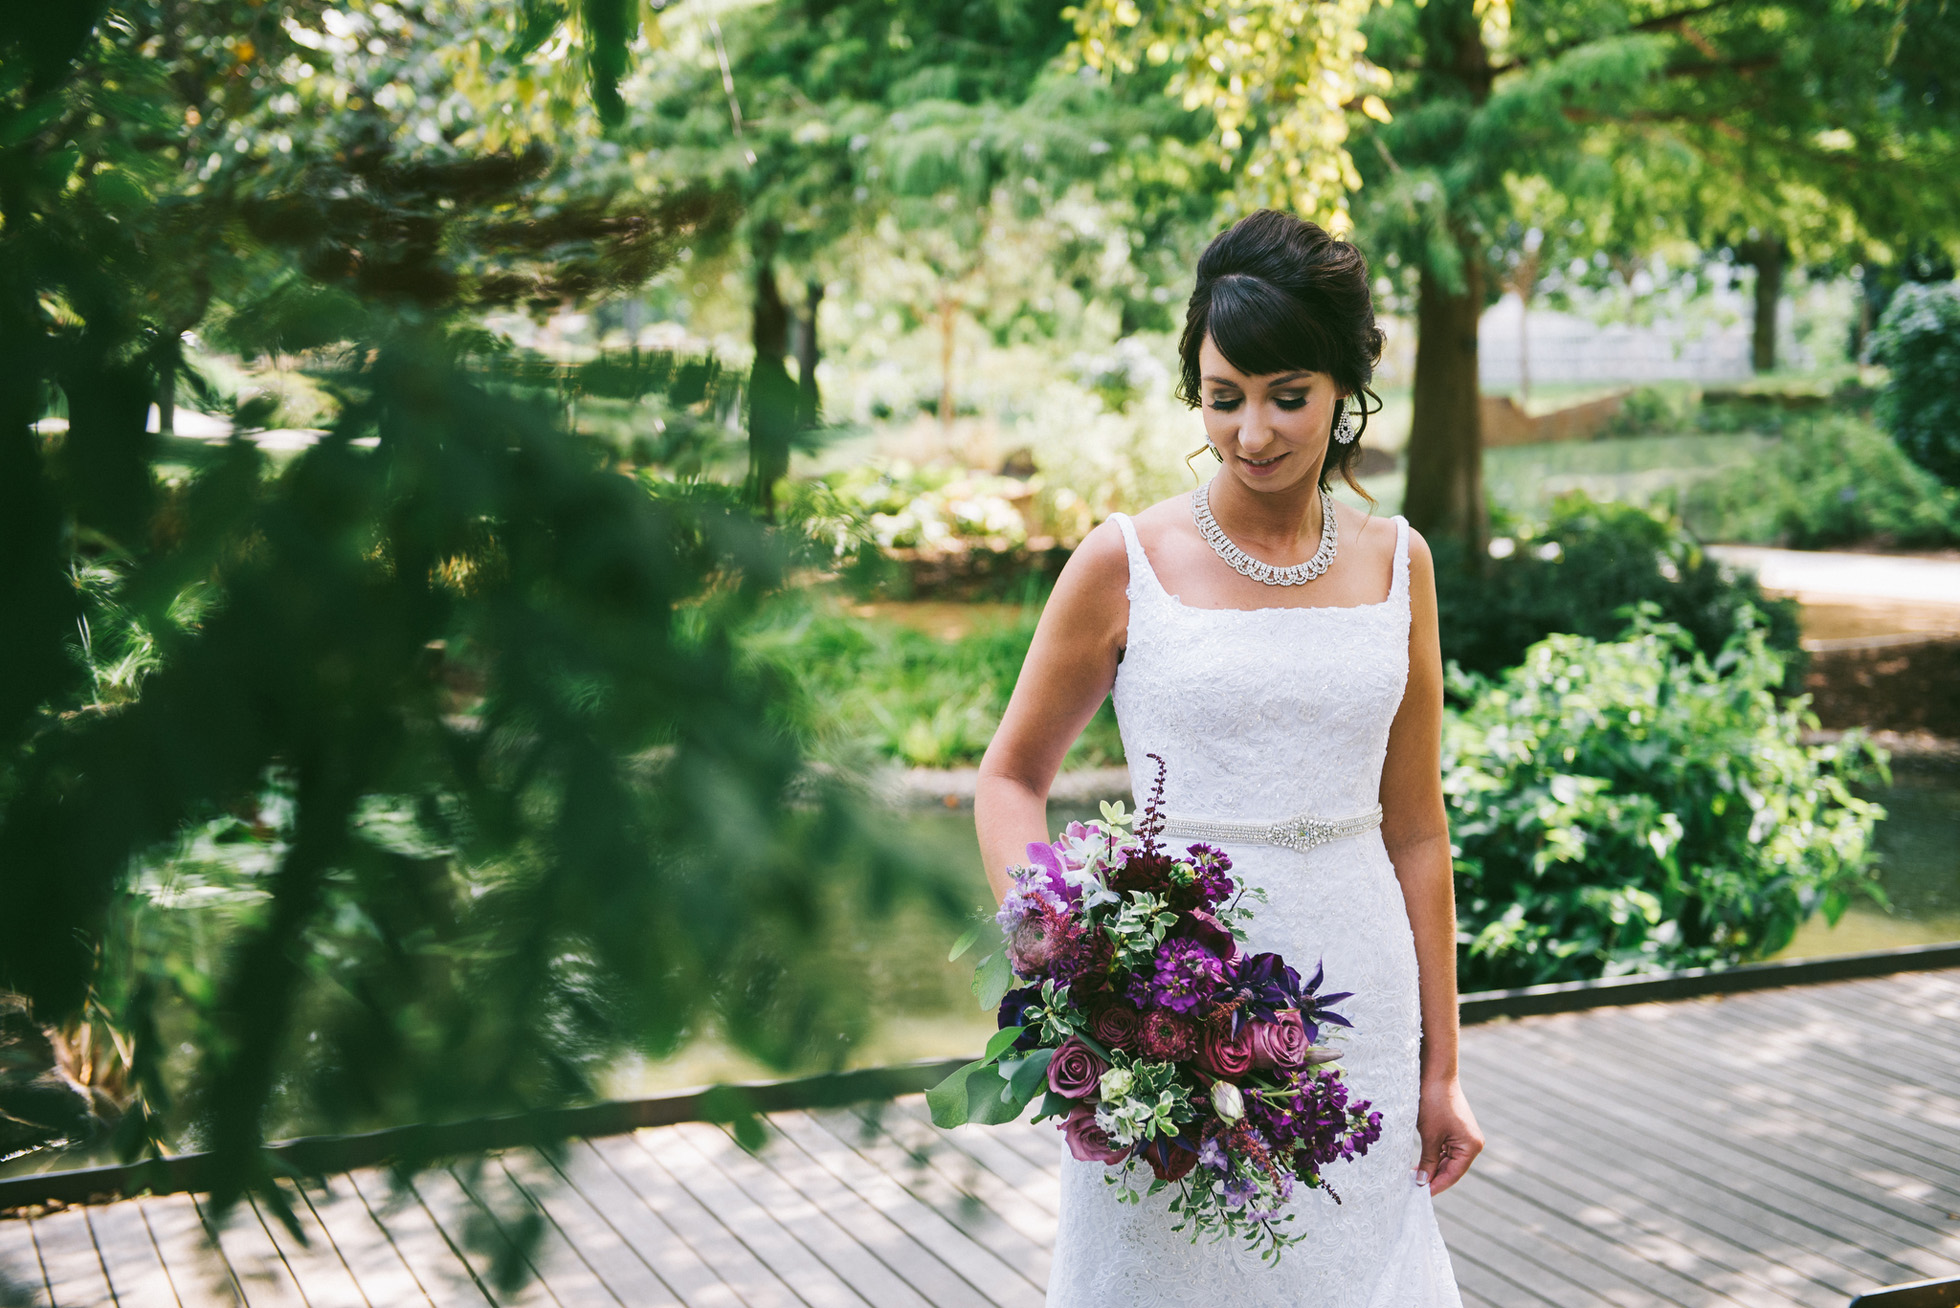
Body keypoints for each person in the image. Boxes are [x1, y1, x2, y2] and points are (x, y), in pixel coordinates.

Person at [974, 209, 1481, 1306]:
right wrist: (1064, 954)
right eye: (1223, 396)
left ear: (1345, 385)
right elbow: (1010, 778)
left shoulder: (1402, 563)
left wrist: (1442, 1069)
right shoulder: (1124, 560)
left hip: (1361, 1006)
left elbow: (1417, 830)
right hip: (1166, 1010)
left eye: (1287, 395)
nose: (1252, 432)